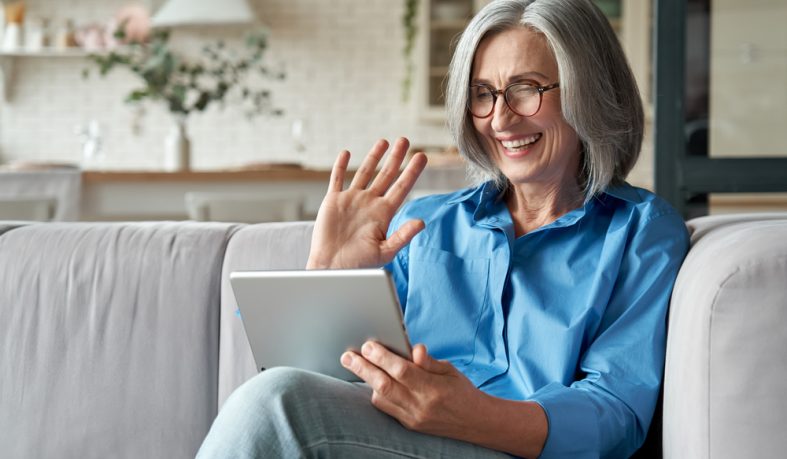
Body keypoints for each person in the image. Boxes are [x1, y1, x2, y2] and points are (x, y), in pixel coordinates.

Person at [197, 0, 689, 457]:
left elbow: (617, 415)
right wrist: (327, 273)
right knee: (277, 394)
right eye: (483, 94)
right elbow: (330, 380)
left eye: (526, 88)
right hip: (399, 441)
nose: (500, 118)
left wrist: (476, 416)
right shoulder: (427, 223)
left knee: (277, 401)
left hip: (523, 449)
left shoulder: (641, 230)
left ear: (589, 90)